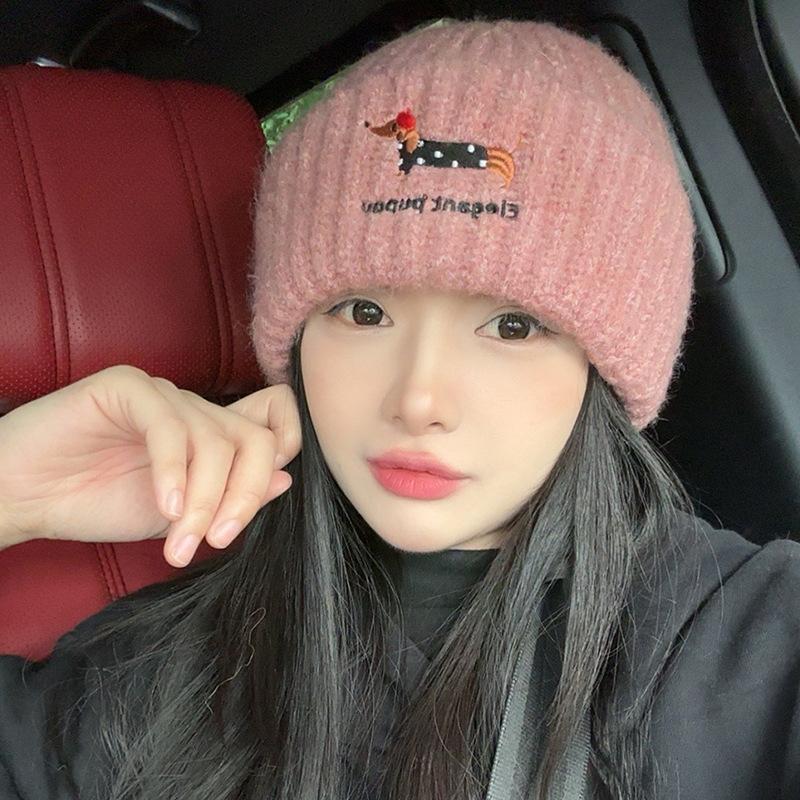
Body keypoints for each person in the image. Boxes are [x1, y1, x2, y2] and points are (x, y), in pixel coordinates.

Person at [0, 16, 798, 800]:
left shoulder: (743, 643)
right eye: (363, 312)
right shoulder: (157, 670)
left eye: (513, 326)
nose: (418, 401)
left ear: (608, 371)